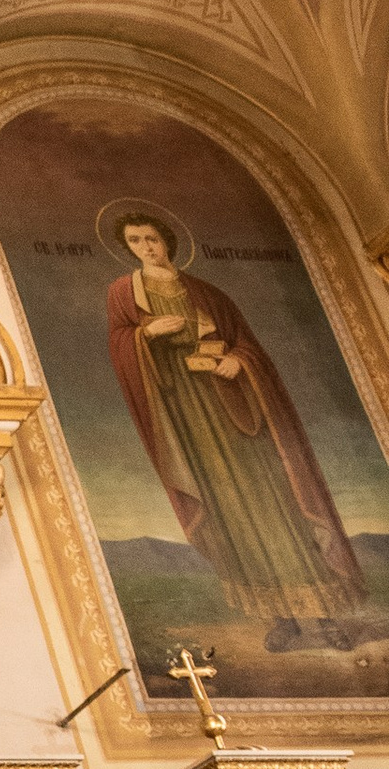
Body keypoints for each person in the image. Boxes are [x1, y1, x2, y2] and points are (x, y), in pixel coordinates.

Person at [103, 212, 363, 647]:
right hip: (184, 416)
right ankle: (283, 618)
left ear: (167, 241)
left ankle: (324, 613)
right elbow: (119, 342)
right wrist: (145, 334)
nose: (146, 247)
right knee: (230, 510)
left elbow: (247, 344)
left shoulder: (207, 292)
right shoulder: (122, 293)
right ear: (127, 246)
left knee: (276, 500)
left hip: (235, 411)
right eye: (135, 241)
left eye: (152, 239)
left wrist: (238, 360)